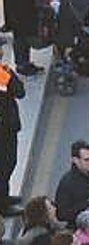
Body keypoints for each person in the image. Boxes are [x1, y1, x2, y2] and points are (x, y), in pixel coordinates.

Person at [0, 45, 25, 217]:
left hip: (6, 127)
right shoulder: (3, 75)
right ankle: (3, 205)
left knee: (7, 164)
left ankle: (5, 197)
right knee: (6, 164)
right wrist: (8, 73)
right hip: (5, 129)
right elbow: (19, 91)